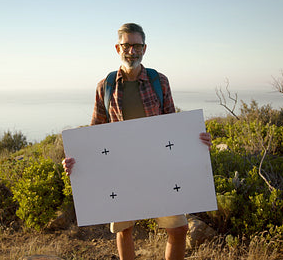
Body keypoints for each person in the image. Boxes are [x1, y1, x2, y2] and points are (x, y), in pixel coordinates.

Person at [62, 23, 212, 260]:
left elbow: (173, 124)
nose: (132, 51)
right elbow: (95, 132)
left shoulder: (159, 81)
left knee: (179, 229)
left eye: (137, 45)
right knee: (124, 230)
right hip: (120, 170)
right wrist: (75, 160)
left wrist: (197, 141)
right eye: (127, 45)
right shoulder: (106, 86)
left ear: (145, 48)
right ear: (117, 47)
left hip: (159, 167)